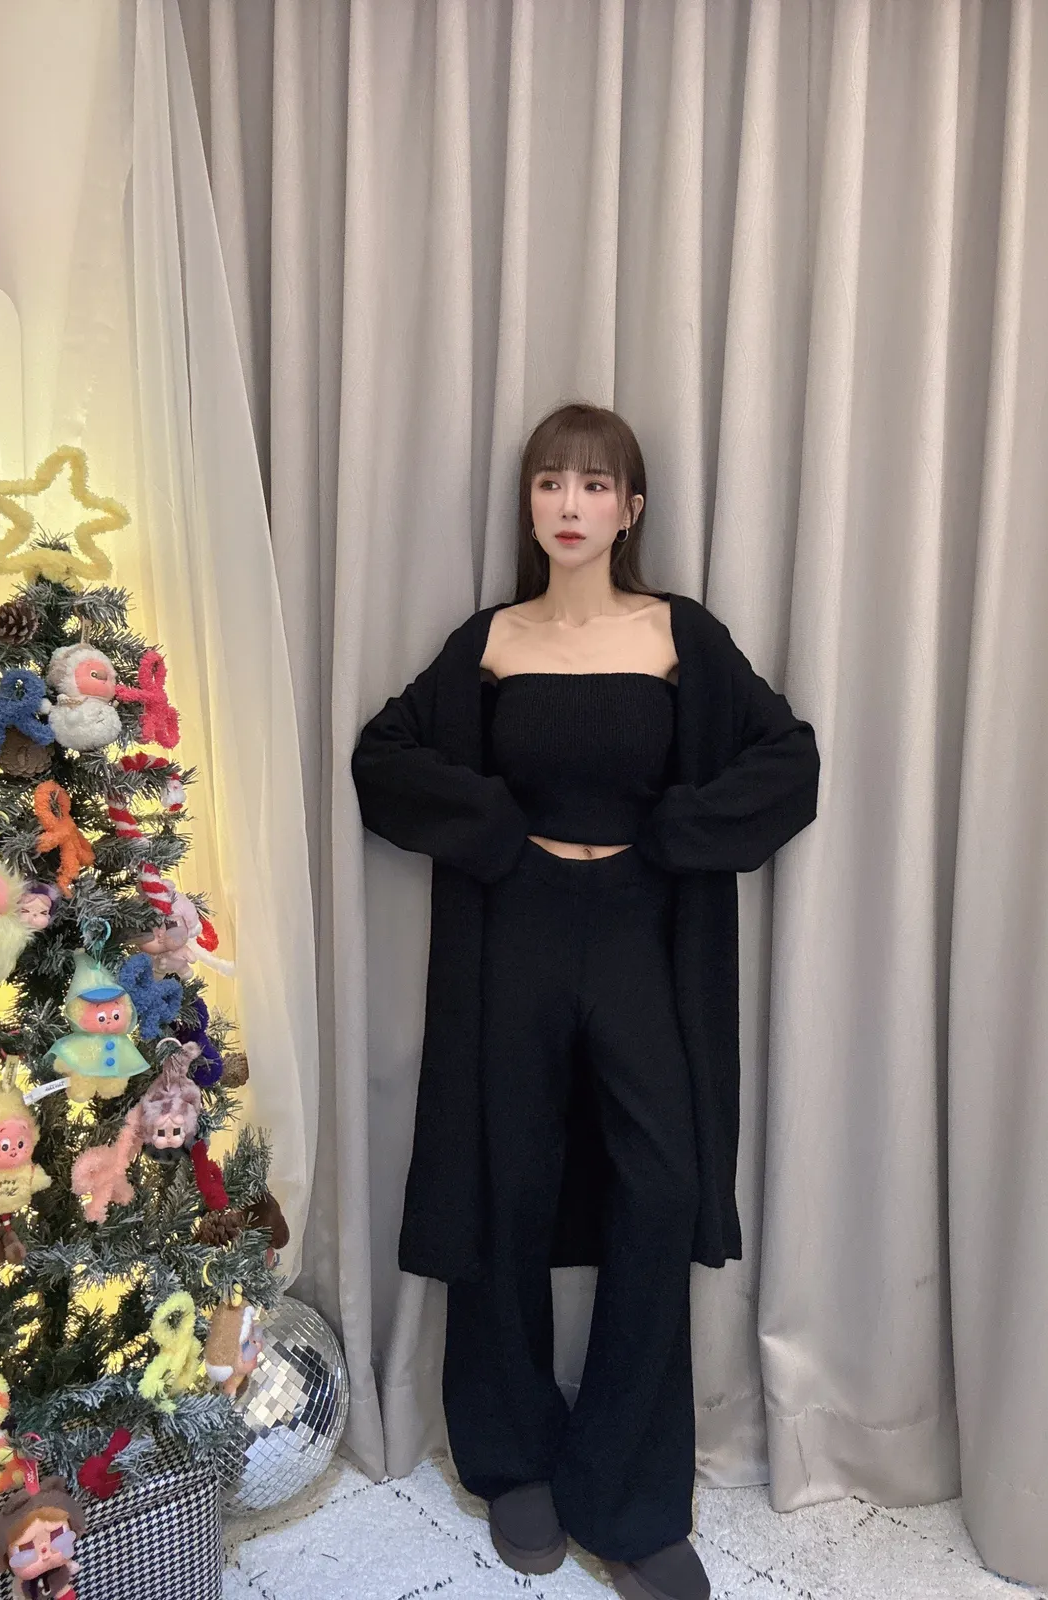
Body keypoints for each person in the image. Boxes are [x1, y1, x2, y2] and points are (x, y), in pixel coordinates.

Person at [352, 402, 820, 1600]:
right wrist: (494, 829)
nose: (570, 504)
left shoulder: (678, 633)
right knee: (505, 1175)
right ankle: (513, 1458)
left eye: (596, 484)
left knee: (660, 1186)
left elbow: (789, 759)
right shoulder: (491, 640)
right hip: (515, 931)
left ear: (631, 508)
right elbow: (383, 760)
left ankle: (629, 1493)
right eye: (551, 482)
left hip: (636, 935)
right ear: (529, 504)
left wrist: (678, 832)